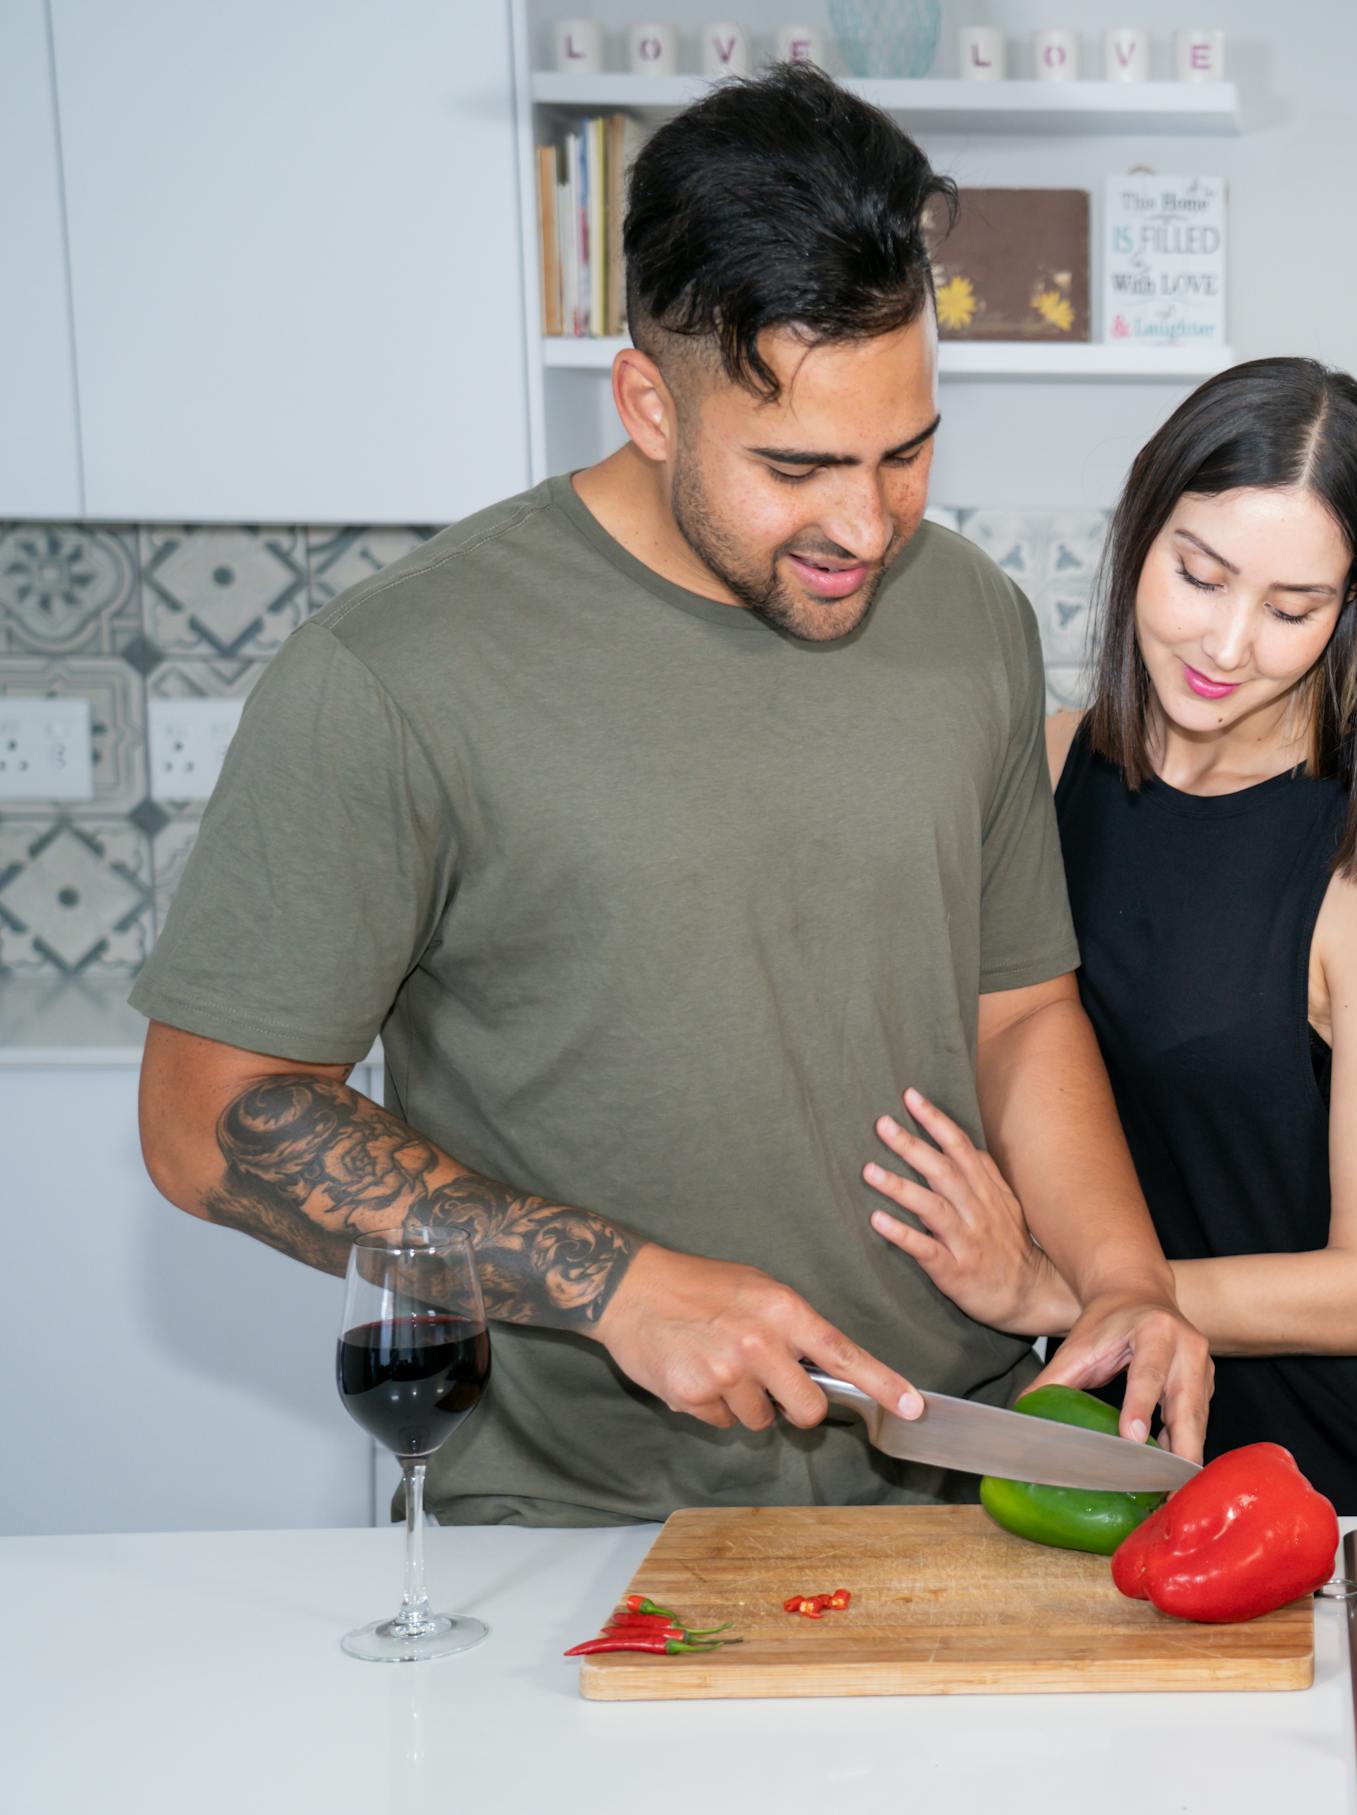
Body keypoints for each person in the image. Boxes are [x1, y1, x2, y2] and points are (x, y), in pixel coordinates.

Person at [131, 65, 1209, 1527]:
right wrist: (617, 1282)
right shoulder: (393, 672)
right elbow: (212, 1119)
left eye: (908, 449)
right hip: (579, 1519)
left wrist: (1125, 1280)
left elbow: (1017, 1011)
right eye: (797, 464)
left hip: (968, 1482)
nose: (865, 522)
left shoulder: (973, 618)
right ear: (646, 399)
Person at [865, 358, 1357, 1514]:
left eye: (1292, 609)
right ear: (1140, 535)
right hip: (1118, 1438)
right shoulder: (1056, 768)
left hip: (1342, 1469)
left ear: (1353, 609)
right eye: (1199, 577)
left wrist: (1064, 1296)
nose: (1227, 644)